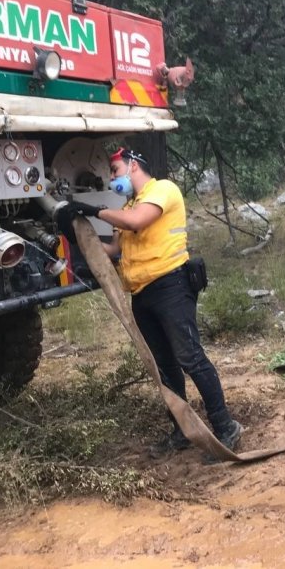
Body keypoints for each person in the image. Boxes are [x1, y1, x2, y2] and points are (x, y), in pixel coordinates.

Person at [56, 147, 242, 459]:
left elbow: (136, 222)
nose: (112, 177)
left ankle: (225, 427)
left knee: (190, 358)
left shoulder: (163, 190)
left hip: (171, 286)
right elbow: (115, 248)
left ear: (133, 166)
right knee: (164, 366)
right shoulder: (128, 205)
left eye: (115, 170)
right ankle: (182, 430)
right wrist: (78, 236)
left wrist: (93, 210)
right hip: (142, 293)